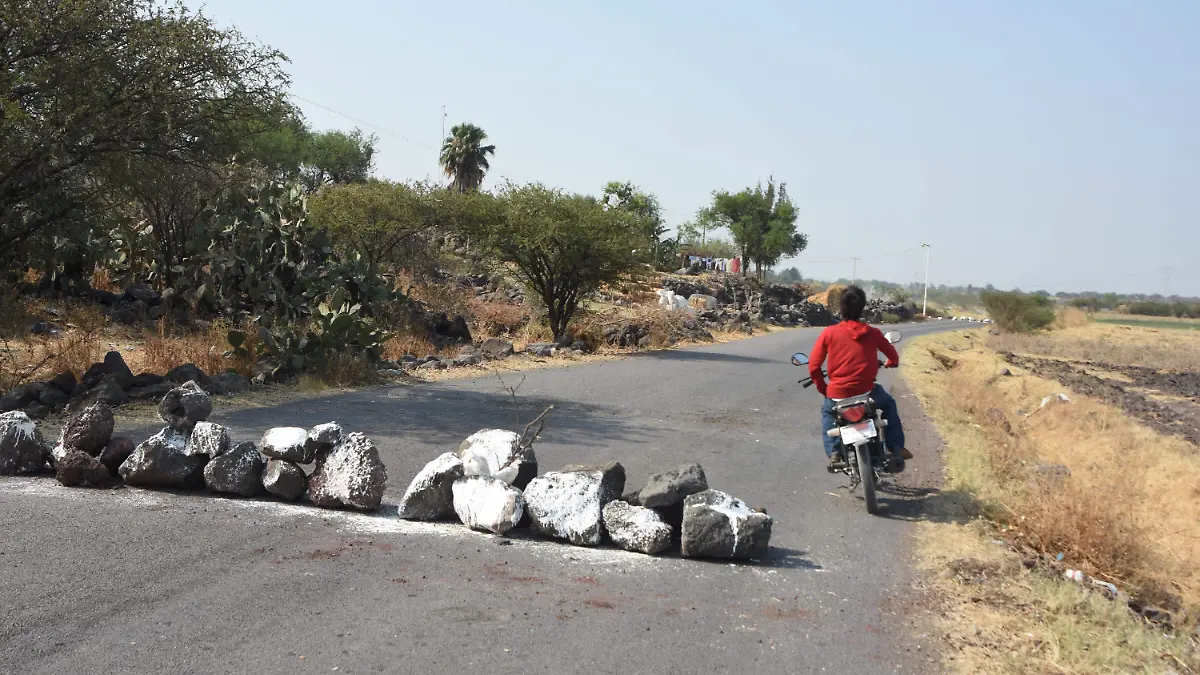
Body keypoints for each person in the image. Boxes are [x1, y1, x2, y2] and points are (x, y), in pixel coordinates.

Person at [808, 285, 913, 468]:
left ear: (840, 307)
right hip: (868, 393)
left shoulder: (829, 333)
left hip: (837, 394)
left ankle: (834, 453)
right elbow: (893, 358)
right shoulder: (873, 333)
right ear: (862, 307)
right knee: (888, 404)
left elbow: (814, 366)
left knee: (827, 412)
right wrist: (889, 363)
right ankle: (895, 447)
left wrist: (824, 389)